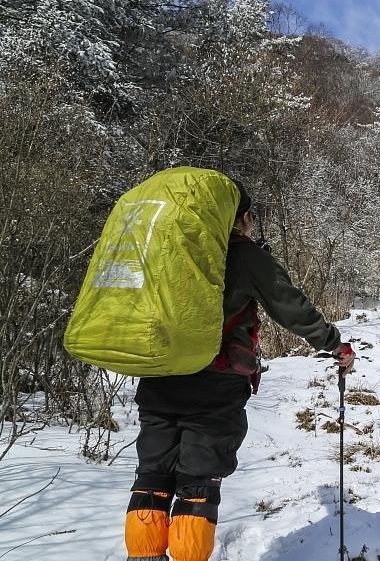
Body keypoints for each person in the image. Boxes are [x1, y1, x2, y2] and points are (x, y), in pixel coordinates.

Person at [124, 180, 355, 561]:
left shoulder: (160, 248)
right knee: (197, 483)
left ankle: (142, 557)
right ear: (242, 217)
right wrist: (334, 343)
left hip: (158, 378)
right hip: (213, 387)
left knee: (152, 476)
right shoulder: (242, 255)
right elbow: (290, 306)